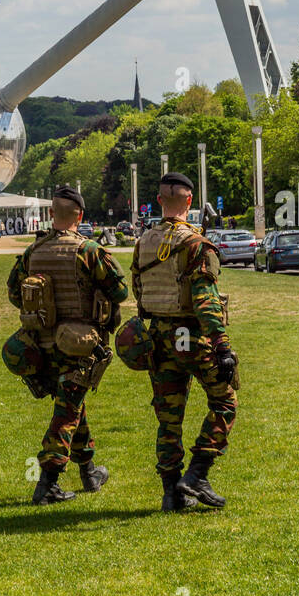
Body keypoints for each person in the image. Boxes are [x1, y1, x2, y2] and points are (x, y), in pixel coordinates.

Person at [116, 171, 238, 513]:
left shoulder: (144, 243)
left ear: (159, 201)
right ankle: (198, 473)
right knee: (225, 402)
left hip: (159, 339)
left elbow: (138, 290)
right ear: (190, 202)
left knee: (169, 419)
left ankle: (172, 493)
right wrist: (222, 345)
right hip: (194, 338)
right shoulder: (196, 244)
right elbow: (205, 299)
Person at [3, 185, 128, 506]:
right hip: (79, 347)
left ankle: (89, 471)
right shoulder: (88, 250)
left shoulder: (34, 251)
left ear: (50, 214)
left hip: (40, 345)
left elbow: (15, 294)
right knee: (67, 411)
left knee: (72, 404)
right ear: (80, 216)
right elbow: (119, 292)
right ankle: (47, 483)